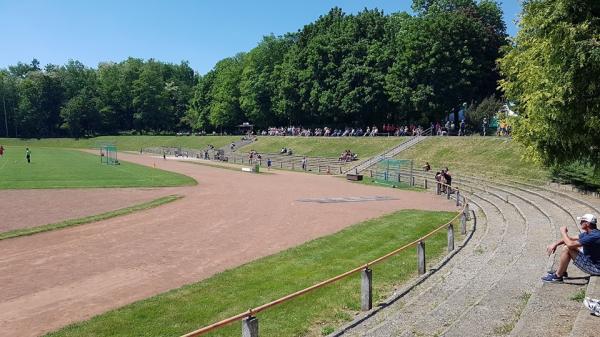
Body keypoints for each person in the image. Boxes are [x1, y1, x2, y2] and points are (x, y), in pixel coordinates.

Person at [542, 213, 600, 283]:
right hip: (593, 262)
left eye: (582, 221)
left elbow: (570, 244)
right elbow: (570, 239)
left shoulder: (594, 236)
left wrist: (563, 232)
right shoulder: (590, 233)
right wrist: (555, 244)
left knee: (567, 248)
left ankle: (558, 276)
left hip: (596, 268)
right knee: (567, 245)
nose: (580, 223)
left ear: (587, 224)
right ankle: (562, 271)